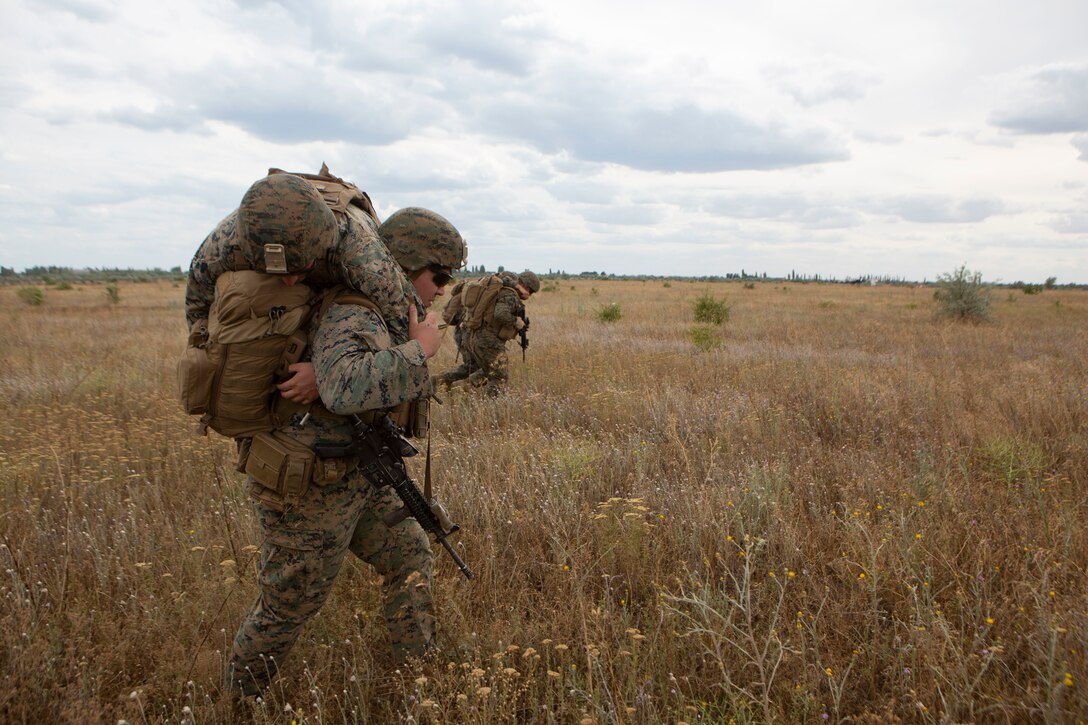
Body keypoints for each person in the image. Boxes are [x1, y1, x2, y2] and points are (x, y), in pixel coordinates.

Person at [226, 207, 466, 698]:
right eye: (437, 276)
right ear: (406, 264)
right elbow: (342, 386)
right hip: (309, 486)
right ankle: (236, 700)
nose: (442, 288)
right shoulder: (355, 309)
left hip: (356, 475)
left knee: (410, 557)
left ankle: (419, 680)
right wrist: (420, 350)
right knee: (288, 605)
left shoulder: (386, 312)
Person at [185, 165, 416, 407]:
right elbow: (199, 321)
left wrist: (329, 373)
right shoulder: (220, 248)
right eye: (275, 273)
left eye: (299, 271)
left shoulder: (361, 251)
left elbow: (405, 329)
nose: (289, 281)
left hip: (338, 320)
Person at [437, 269, 539, 392]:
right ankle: (465, 391)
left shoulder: (498, 290)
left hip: (472, 335)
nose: (530, 295)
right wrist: (517, 323)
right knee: (498, 378)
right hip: (487, 340)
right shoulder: (510, 294)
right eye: (531, 292)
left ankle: (448, 384)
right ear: (525, 286)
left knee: (478, 369)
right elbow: (501, 314)